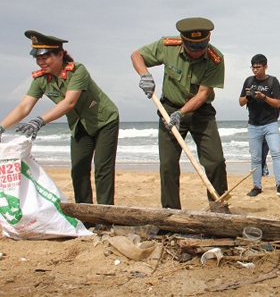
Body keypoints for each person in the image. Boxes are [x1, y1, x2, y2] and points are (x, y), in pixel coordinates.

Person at [0, 30, 119, 205]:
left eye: (45, 58)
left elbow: (69, 102)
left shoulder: (77, 70)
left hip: (104, 121)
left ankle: (106, 216)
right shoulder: (41, 79)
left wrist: (39, 121)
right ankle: (86, 215)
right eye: (38, 59)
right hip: (80, 125)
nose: (41, 62)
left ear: (60, 54)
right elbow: (24, 106)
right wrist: (2, 127)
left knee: (102, 169)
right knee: (78, 170)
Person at [131, 17, 228, 209]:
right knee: (168, 165)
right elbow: (137, 55)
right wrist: (145, 75)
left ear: (207, 41)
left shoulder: (216, 58)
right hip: (168, 108)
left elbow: (202, 95)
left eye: (201, 47)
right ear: (183, 41)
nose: (197, 52)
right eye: (192, 48)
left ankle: (219, 208)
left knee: (215, 161)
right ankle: (171, 211)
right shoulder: (168, 46)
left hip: (201, 113)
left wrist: (181, 113)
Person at [239, 54, 280, 197]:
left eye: (258, 67)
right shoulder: (249, 81)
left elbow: (278, 103)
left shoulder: (272, 81)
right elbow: (241, 102)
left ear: (265, 67)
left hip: (270, 124)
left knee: (276, 153)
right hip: (253, 124)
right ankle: (257, 186)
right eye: (253, 67)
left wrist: (263, 97)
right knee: (255, 157)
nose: (255, 70)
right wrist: (248, 97)